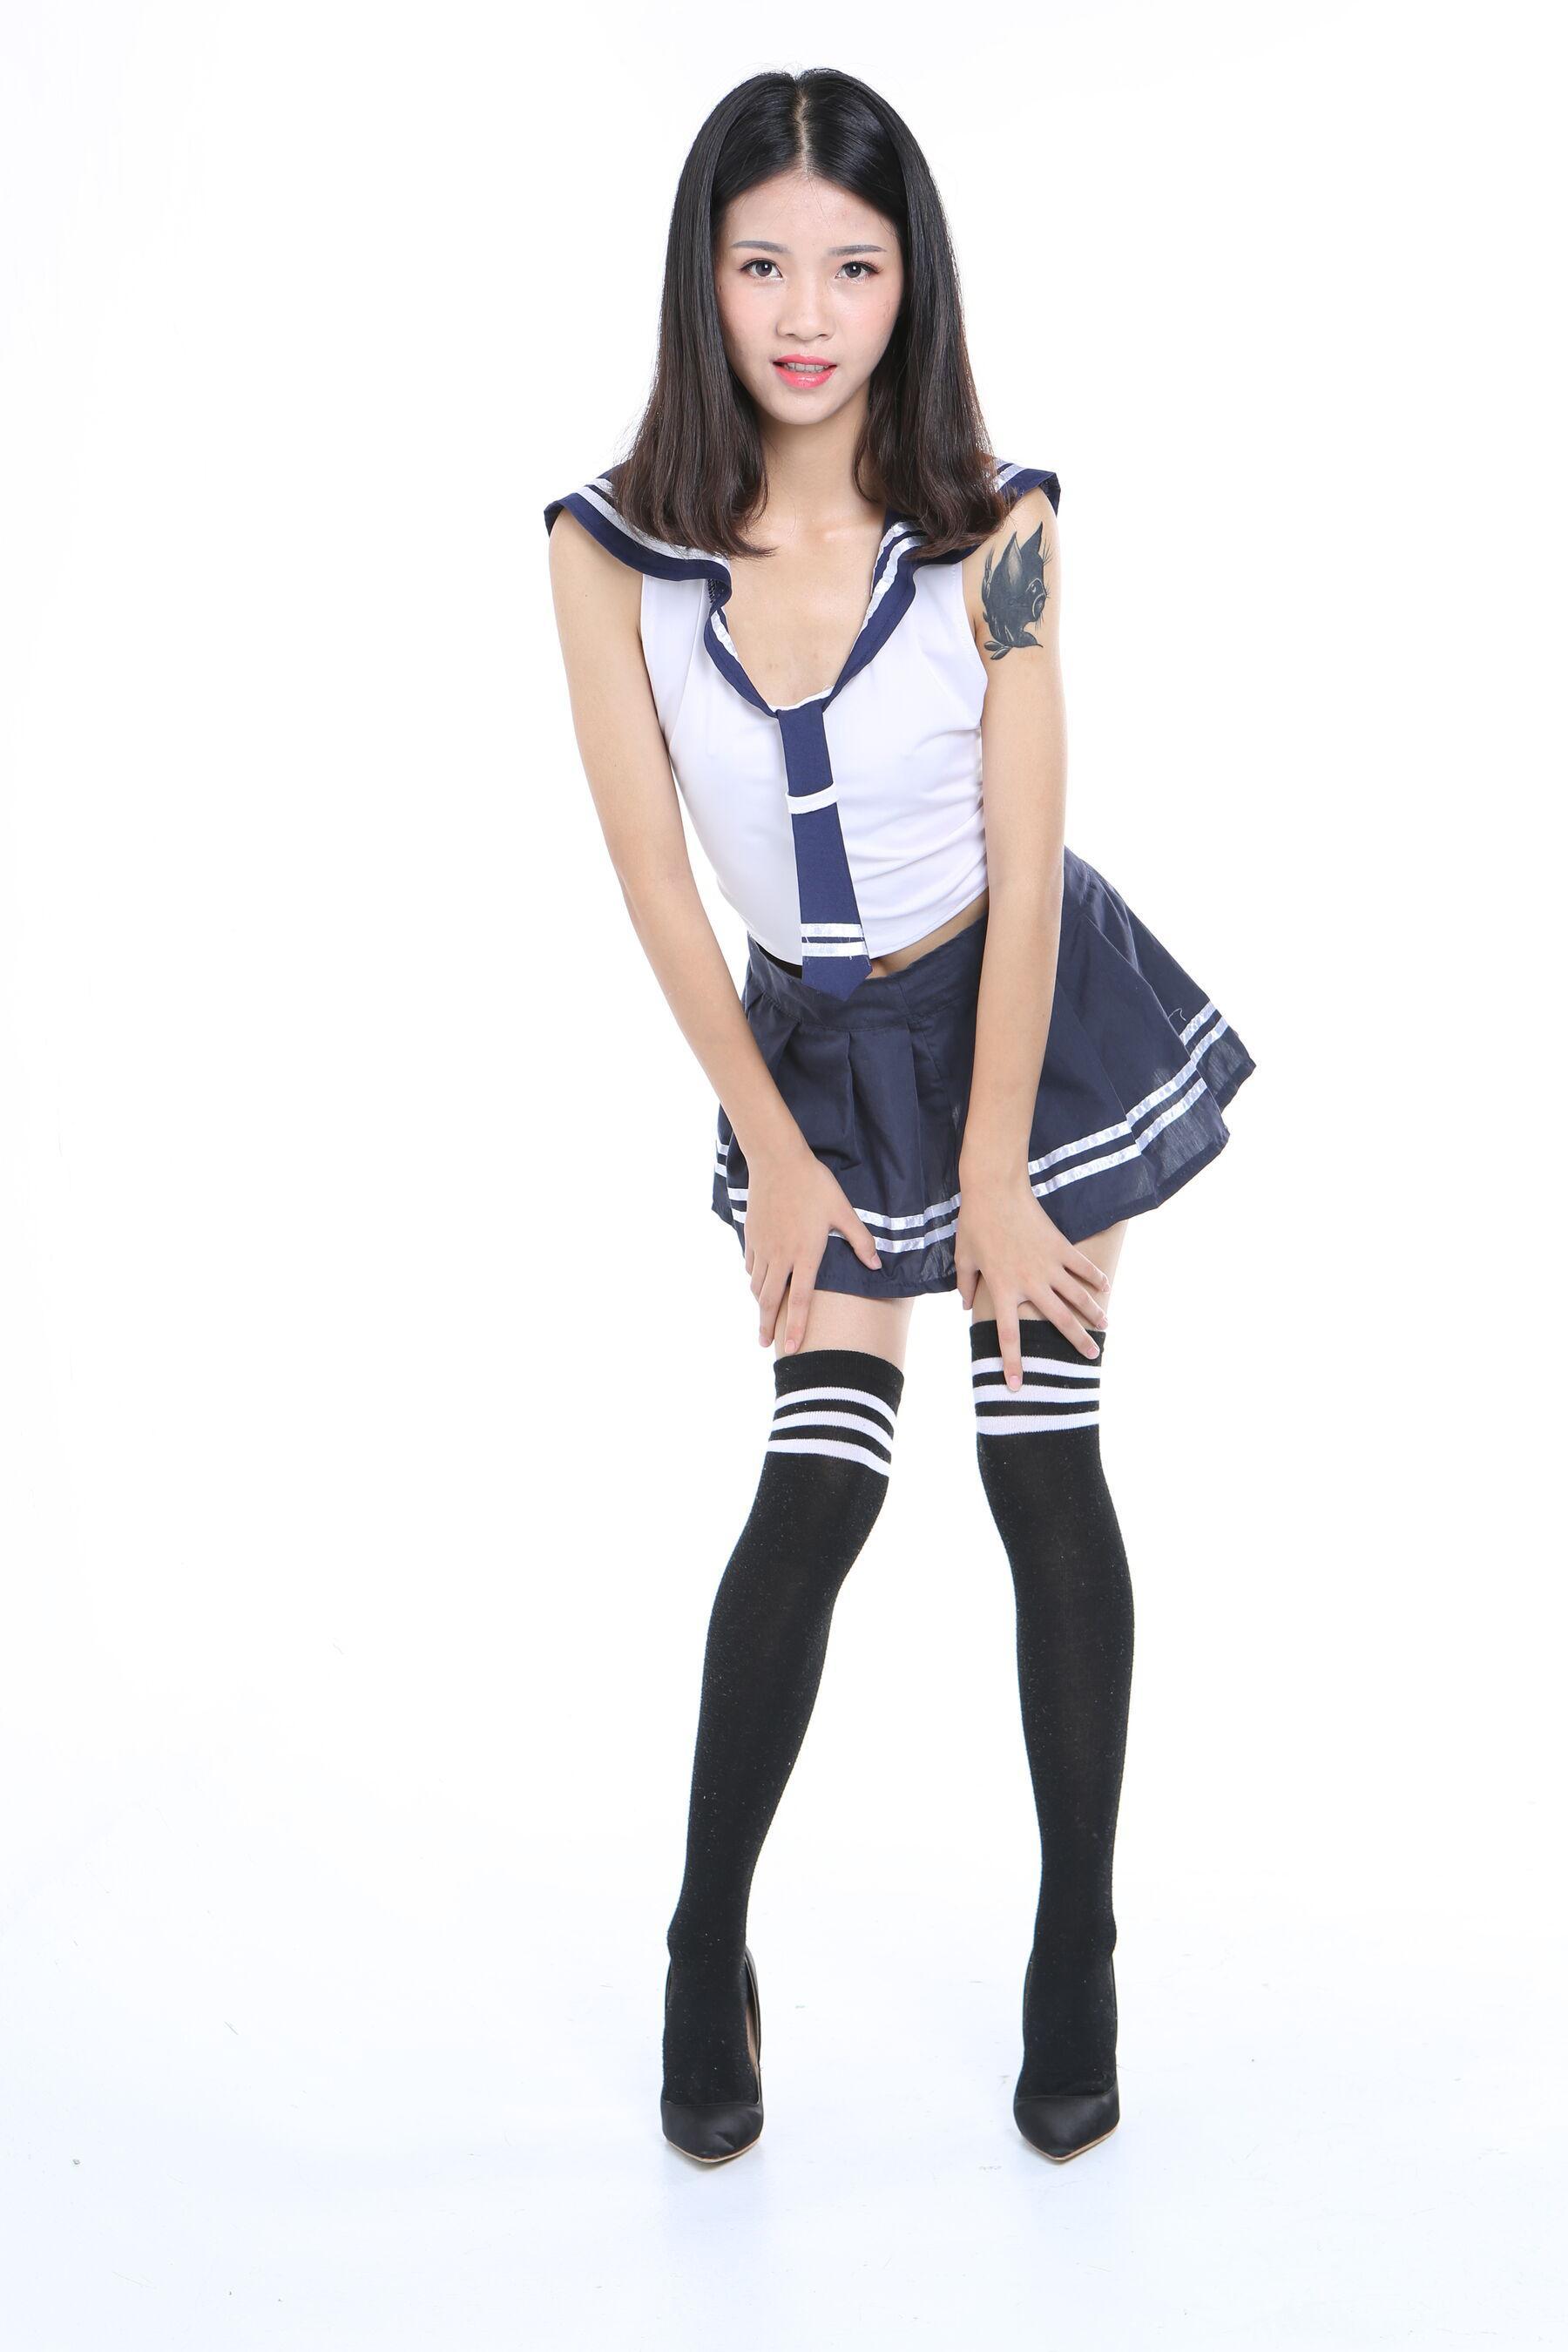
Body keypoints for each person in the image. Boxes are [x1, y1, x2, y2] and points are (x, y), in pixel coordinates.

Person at [544, 67, 1255, 2168]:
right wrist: (772, 1151)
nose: (806, 314)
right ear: (702, 278)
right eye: (763, 263)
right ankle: (704, 1947)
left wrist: (995, 1172)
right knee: (821, 1488)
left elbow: (1027, 866)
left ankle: (1077, 1944)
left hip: (1021, 1021)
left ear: (908, 283)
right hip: (810, 1060)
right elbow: (655, 880)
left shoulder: (995, 537)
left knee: (1039, 1460)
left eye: (852, 268)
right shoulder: (610, 554)